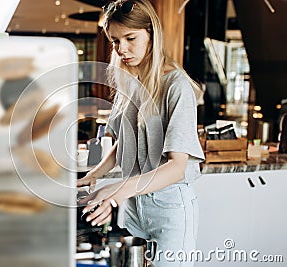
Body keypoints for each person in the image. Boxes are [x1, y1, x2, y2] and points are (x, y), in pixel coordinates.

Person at [77, 0, 205, 266]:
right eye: (115, 41)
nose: (122, 48)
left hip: (169, 208)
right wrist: (93, 175)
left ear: (151, 34)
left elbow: (177, 168)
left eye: (130, 38)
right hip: (136, 206)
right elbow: (125, 142)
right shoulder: (130, 83)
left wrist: (117, 192)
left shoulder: (176, 85)